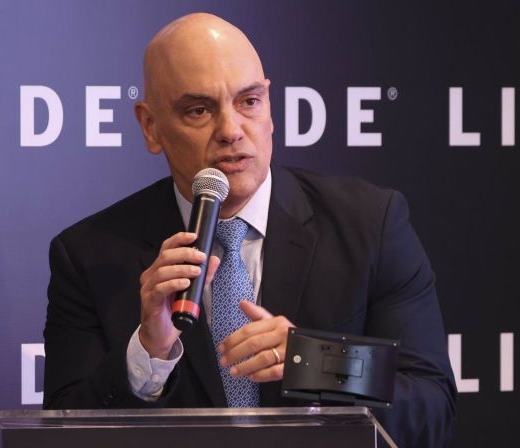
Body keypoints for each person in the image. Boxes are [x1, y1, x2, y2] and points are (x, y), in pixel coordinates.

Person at [43, 12, 456, 447]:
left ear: (269, 109)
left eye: (249, 102)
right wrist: (147, 353)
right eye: (199, 110)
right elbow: (60, 439)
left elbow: (432, 408)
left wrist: (316, 363)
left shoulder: (371, 223)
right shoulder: (89, 257)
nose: (230, 130)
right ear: (151, 126)